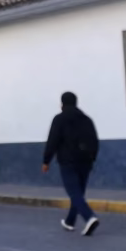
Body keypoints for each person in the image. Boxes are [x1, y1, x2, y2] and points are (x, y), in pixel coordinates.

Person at [42, 91, 100, 236]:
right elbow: (95, 141)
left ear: (62, 104)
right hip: (85, 162)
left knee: (74, 193)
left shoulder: (59, 119)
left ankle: (89, 217)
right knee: (78, 193)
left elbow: (52, 141)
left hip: (68, 162)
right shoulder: (87, 120)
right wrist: (92, 158)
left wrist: (46, 161)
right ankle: (70, 221)